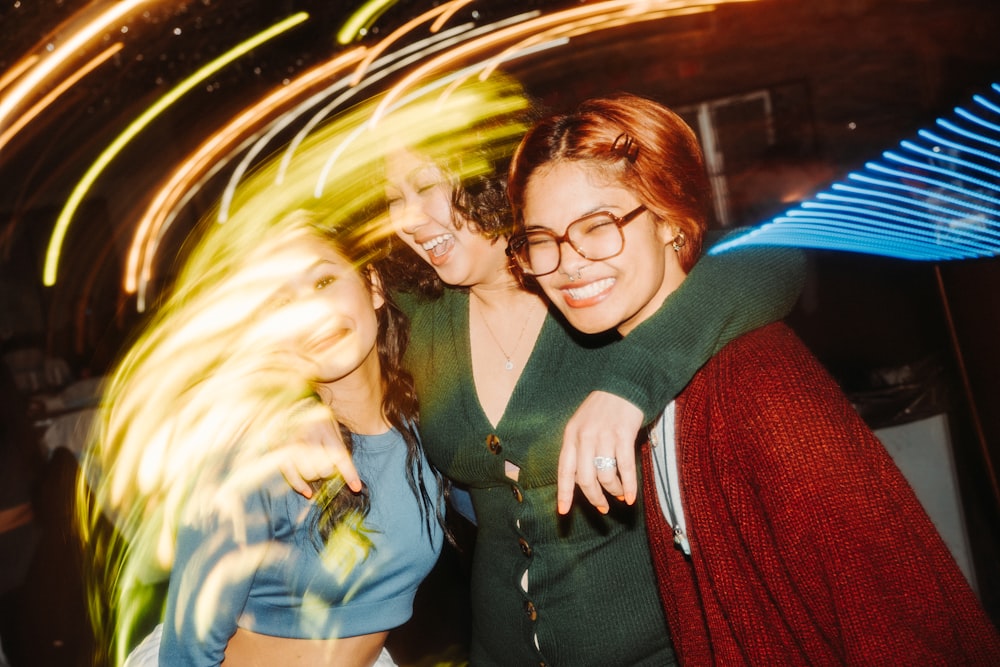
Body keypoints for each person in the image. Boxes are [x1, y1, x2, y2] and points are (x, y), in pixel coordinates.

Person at [506, 91, 1000, 665]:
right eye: (541, 239)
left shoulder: (757, 387)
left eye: (597, 226)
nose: (567, 262)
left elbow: (904, 626)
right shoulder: (655, 376)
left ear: (670, 220)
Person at [363, 105, 807, 664]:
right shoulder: (418, 312)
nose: (405, 217)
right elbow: (304, 336)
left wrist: (630, 383)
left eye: (425, 185)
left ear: (487, 174)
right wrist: (299, 415)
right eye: (392, 198)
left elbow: (775, 250)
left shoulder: (598, 286)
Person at [80, 208, 445, 667]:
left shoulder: (423, 426)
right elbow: (187, 652)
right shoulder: (255, 453)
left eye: (322, 282)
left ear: (372, 285)